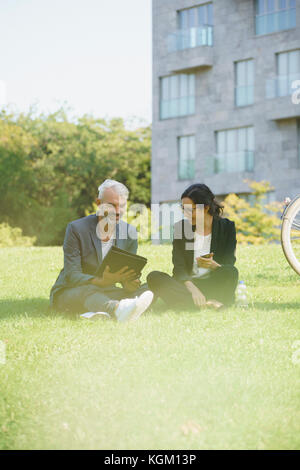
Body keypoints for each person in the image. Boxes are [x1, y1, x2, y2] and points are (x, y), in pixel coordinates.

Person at [50, 179, 153, 322]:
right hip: (74, 290)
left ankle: (101, 310)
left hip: (106, 291)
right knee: (89, 291)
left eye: (122, 206)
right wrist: (99, 281)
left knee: (150, 287)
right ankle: (117, 309)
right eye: (112, 205)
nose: (117, 211)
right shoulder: (76, 229)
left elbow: (126, 272)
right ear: (99, 203)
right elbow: (72, 275)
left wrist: (129, 284)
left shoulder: (129, 232)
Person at [147, 184, 239, 310]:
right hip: (189, 286)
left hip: (214, 284)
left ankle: (190, 303)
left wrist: (213, 265)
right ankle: (209, 303)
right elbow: (179, 268)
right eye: (183, 209)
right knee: (154, 277)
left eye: (191, 210)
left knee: (232, 272)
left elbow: (229, 264)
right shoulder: (181, 228)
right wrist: (193, 289)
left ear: (206, 208)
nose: (186, 214)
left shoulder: (227, 227)